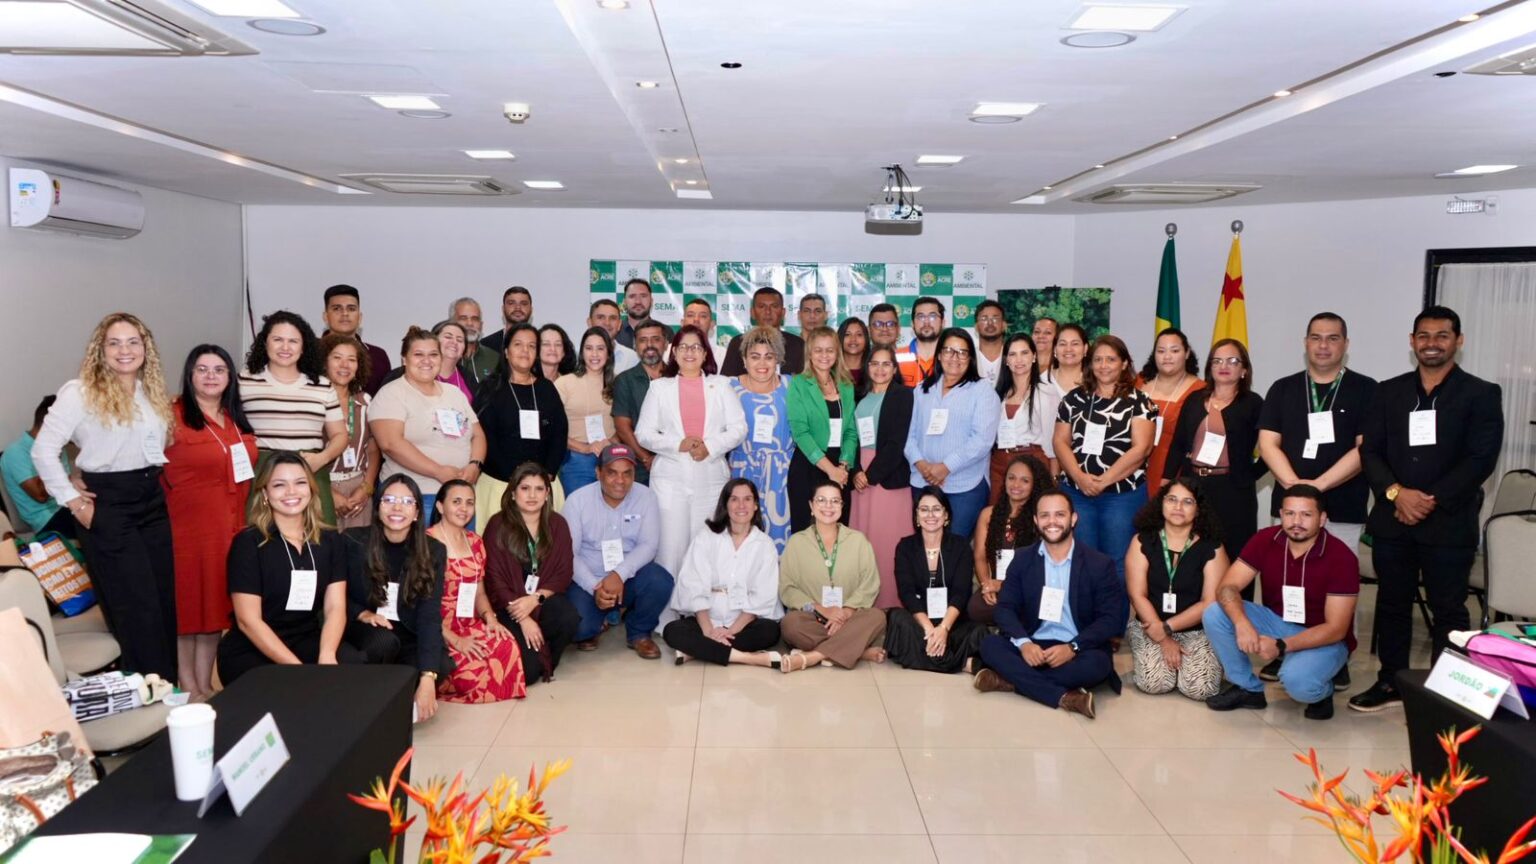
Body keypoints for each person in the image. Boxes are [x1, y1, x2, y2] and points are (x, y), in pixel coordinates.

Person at [1350, 305, 1503, 713]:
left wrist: (1425, 500)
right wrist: (1399, 494)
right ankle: (1392, 681)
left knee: (1449, 608)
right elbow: (1372, 452)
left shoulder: (1481, 394)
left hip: (1448, 523)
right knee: (1393, 602)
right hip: (1393, 520)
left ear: (1459, 341)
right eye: (1424, 336)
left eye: (1441, 335)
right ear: (1412, 341)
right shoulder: (1388, 391)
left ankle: (1444, 693)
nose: (1431, 343)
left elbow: (1480, 460)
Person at [33, 312, 178, 681]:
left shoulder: (150, 392)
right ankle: (148, 696)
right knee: (136, 608)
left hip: (151, 501)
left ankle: (169, 694)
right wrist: (73, 500)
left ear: (146, 349)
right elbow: (43, 451)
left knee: (161, 602)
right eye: (114, 342)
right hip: (108, 507)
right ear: (101, 349)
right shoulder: (79, 392)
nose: (124, 350)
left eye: (133, 342)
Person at [1204, 485, 1358, 720]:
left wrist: (1282, 645)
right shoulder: (1266, 539)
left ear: (1322, 518)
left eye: (1306, 514)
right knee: (1216, 613)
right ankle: (1248, 689)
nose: (1296, 521)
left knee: (1299, 683)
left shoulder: (1341, 557)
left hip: (1323, 637)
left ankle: (1323, 690)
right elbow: (1227, 587)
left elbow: (1336, 628)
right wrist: (1242, 623)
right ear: (1281, 514)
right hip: (1277, 622)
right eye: (1289, 513)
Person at [973, 491, 1127, 719]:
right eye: (1045, 515)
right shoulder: (1022, 559)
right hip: (1033, 643)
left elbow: (1112, 619)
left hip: (1077, 647)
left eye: (1060, 515)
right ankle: (1065, 697)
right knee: (990, 645)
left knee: (1098, 664)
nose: (1052, 522)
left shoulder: (1099, 564)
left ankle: (1009, 681)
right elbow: (1005, 608)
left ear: (1073, 519)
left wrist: (1072, 648)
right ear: (1036, 521)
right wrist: (1025, 644)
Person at [162, 345, 258, 702]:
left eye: (219, 369)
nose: (211, 376)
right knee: (188, 608)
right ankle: (186, 684)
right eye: (202, 369)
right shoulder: (170, 417)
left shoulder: (234, 418)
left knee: (215, 608)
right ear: (189, 376)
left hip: (231, 527)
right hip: (187, 530)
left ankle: (205, 683)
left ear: (230, 377)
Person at [216, 452, 352, 684]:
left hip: (307, 638)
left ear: (311, 489)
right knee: (288, 691)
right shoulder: (248, 543)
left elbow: (335, 607)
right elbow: (249, 621)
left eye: (300, 483)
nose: (291, 492)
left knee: (353, 668)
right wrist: (297, 670)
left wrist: (327, 654)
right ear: (265, 494)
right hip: (253, 647)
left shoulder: (330, 540)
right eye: (279, 485)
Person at [1258, 313, 1378, 555]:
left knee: (1338, 582)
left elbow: (1364, 449)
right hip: (1290, 507)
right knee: (1287, 580)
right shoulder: (1282, 388)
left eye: (1332, 338)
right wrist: (1296, 488)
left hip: (1343, 508)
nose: (1323, 346)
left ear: (1346, 343)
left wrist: (1317, 486)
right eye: (1316, 338)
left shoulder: (1367, 389)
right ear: (1306, 343)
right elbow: (1268, 444)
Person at [635, 325, 747, 577]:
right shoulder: (659, 388)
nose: (689, 352)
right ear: (672, 353)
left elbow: (739, 428)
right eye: (683, 347)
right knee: (670, 547)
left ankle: (702, 610)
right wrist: (678, 444)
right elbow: (643, 433)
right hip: (670, 479)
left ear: (706, 354)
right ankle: (668, 613)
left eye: (696, 347)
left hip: (710, 479)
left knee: (707, 545)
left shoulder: (721, 385)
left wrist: (710, 447)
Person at [342, 474, 449, 722]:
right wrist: (362, 613)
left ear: (417, 513)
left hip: (407, 631)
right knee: (383, 644)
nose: (397, 507)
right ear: (377, 507)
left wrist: (428, 677)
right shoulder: (353, 541)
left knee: (438, 665)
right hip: (365, 628)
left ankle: (389, 696)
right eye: (388, 499)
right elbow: (332, 596)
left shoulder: (433, 551)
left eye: (406, 501)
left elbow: (429, 615)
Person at [1052, 334, 1156, 579]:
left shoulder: (1140, 402)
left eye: (1111, 359)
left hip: (1123, 496)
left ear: (1124, 363)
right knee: (1082, 558)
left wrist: (1103, 480)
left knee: (1117, 561)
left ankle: (1116, 617)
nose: (1103, 365)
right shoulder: (1073, 399)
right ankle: (1087, 616)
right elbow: (1059, 441)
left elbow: (1141, 449)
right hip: (1078, 493)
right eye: (1098, 359)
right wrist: (1080, 478)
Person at [563, 445, 673, 659]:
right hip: (589, 579)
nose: (620, 481)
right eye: (612, 473)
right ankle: (595, 625)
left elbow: (649, 545)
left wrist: (619, 574)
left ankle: (639, 633)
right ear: (598, 473)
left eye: (627, 473)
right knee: (579, 630)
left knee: (660, 580)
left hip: (628, 579)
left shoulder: (646, 497)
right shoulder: (577, 501)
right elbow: (570, 554)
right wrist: (595, 587)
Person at [240, 310, 348, 524]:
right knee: (261, 541)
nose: (285, 347)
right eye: (278, 339)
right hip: (262, 472)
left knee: (319, 541)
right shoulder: (243, 381)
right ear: (265, 343)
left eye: (293, 341)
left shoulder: (322, 385)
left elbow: (340, 436)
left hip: (310, 468)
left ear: (303, 346)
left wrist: (322, 459)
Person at [662, 479, 784, 668]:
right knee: (672, 631)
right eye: (734, 499)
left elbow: (762, 596)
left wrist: (730, 631)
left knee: (770, 632)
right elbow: (693, 584)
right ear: (725, 505)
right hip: (706, 620)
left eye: (747, 499)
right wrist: (708, 630)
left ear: (756, 505)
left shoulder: (765, 545)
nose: (741, 506)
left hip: (744, 623)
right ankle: (748, 658)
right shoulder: (706, 537)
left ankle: (696, 651)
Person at [1166, 339, 1265, 571]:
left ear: (1244, 370)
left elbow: (1271, 447)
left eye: (1233, 361)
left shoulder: (1253, 403)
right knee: (1194, 556)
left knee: (1235, 557)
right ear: (1209, 367)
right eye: (1217, 360)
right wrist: (1167, 483)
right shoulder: (1194, 400)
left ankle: (1236, 607)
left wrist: (1249, 475)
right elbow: (1178, 444)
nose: (1224, 365)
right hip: (1195, 488)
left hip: (1235, 492)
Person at [1124, 479, 1227, 700]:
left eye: (1187, 502)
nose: (1178, 507)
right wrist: (1162, 637)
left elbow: (1209, 602)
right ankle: (1166, 662)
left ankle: (1199, 664)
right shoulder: (1142, 541)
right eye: (1172, 500)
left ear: (1198, 509)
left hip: (1198, 629)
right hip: (1149, 624)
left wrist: (1168, 628)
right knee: (1155, 682)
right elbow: (1137, 595)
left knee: (1200, 689)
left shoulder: (1213, 548)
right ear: (1161, 504)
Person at [370, 327, 485, 516]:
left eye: (433, 354)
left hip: (459, 497)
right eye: (418, 354)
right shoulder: (391, 393)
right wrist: (438, 471)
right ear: (404, 359)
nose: (427, 361)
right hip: (413, 497)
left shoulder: (454, 393)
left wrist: (475, 465)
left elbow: (478, 434)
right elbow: (391, 444)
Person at [483, 463, 582, 683]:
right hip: (508, 606)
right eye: (525, 488)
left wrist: (536, 599)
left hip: (540, 599)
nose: (532, 495)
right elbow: (494, 580)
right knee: (527, 675)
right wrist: (524, 616)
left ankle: (542, 654)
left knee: (568, 617)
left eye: (539, 489)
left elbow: (564, 573)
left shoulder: (557, 524)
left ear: (547, 493)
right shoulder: (497, 525)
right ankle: (535, 654)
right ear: (513, 493)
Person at [429, 479, 525, 703]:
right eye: (457, 502)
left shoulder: (475, 542)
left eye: (469, 503)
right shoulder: (427, 543)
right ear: (440, 506)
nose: (464, 508)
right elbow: (421, 607)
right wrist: (456, 640)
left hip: (469, 623)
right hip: (437, 628)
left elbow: (479, 593)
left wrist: (490, 619)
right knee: (474, 675)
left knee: (506, 646)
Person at [777, 480, 887, 673]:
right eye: (822, 500)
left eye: (835, 501)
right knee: (790, 625)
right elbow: (788, 588)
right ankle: (857, 651)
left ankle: (813, 656)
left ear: (842, 507)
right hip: (812, 618)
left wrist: (846, 612)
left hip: (851, 618)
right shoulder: (796, 542)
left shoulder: (858, 541)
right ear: (811, 506)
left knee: (877, 617)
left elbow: (870, 584)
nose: (828, 506)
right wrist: (822, 610)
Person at [904, 328, 1002, 539]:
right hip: (923, 482)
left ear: (970, 357)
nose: (954, 357)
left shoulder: (982, 391)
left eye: (962, 352)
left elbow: (982, 440)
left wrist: (945, 467)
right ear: (939, 355)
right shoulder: (922, 390)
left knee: (954, 549)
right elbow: (909, 436)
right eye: (948, 350)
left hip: (964, 485)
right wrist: (922, 466)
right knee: (925, 546)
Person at [472, 324, 567, 528]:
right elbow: (485, 436)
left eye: (531, 346)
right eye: (518, 344)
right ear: (506, 351)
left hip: (542, 485)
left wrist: (548, 472)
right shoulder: (490, 388)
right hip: (500, 484)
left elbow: (559, 432)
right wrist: (515, 481)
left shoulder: (546, 388)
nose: (525, 351)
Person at [885, 487, 985, 674]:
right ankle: (961, 664)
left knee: (979, 632)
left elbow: (961, 592)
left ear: (946, 515)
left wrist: (943, 628)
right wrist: (930, 629)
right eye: (924, 509)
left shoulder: (960, 546)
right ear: (916, 516)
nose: (930, 514)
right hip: (921, 623)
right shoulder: (905, 547)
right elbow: (906, 593)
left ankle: (926, 657)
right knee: (897, 618)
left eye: (937, 509)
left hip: (951, 622)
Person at [849, 345, 913, 608]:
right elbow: (850, 438)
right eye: (874, 363)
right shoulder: (859, 396)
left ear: (895, 368)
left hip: (886, 475)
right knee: (864, 540)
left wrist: (870, 475)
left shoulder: (902, 396)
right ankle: (864, 603)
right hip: (860, 476)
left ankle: (890, 604)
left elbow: (896, 442)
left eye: (886, 364)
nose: (880, 369)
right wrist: (855, 472)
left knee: (888, 542)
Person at [727, 327, 795, 551]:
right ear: (744, 360)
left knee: (779, 542)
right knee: (741, 538)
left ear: (778, 359)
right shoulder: (729, 388)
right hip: (741, 473)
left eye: (769, 356)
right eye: (755, 357)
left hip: (782, 477)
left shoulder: (792, 386)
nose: (762, 363)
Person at [786, 326, 858, 531]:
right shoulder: (799, 384)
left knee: (838, 532)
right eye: (818, 350)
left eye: (830, 350)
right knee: (806, 532)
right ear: (809, 353)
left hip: (840, 468)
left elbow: (851, 431)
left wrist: (843, 466)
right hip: (809, 466)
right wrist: (830, 470)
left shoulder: (846, 385)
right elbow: (800, 432)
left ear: (837, 353)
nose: (824, 355)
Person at [970, 452, 1051, 625]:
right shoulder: (988, 515)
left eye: (1025, 480)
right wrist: (986, 586)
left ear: (1035, 485)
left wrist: (1003, 585)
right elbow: (980, 557)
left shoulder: (1041, 517)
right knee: (976, 608)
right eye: (1011, 478)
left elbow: (1040, 568)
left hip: (1029, 588)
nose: (1016, 485)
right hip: (995, 585)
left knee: (1035, 607)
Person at [320, 333, 380, 531]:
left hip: (358, 491)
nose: (344, 365)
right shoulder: (312, 401)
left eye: (351, 359)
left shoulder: (365, 401)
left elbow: (372, 449)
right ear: (324, 362)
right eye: (337, 358)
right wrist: (328, 493)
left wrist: (367, 487)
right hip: (321, 487)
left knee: (359, 555)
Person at [990, 334, 1060, 503]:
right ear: (1006, 360)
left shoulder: (1046, 392)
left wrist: (1054, 482)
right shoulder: (996, 394)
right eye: (1012, 354)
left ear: (1034, 356)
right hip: (999, 463)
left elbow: (1053, 444)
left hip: (1033, 463)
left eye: (1024, 353)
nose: (1018, 360)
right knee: (997, 515)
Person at [1138, 328, 1205, 496]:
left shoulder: (1200, 391)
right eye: (1161, 351)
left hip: (1172, 471)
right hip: (1132, 468)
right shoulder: (1138, 382)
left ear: (1187, 353)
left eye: (1174, 351)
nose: (1167, 356)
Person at [555, 326, 618, 495]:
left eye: (600, 348)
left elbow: (626, 425)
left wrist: (609, 442)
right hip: (576, 458)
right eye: (589, 348)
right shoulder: (565, 383)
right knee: (578, 515)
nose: (594, 354)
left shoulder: (618, 384)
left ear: (609, 352)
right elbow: (551, 427)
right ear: (581, 352)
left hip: (612, 457)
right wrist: (583, 447)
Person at [2, 396, 75, 537]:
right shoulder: (15, 453)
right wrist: (49, 456)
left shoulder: (59, 448)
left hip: (65, 507)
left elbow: (66, 485)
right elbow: (41, 496)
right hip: (47, 520)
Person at [611, 320, 668, 485]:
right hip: (639, 465)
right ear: (635, 346)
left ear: (665, 344)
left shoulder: (677, 377)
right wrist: (646, 458)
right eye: (643, 340)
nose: (649, 345)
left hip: (673, 462)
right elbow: (622, 427)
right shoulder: (625, 380)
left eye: (656, 339)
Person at [321, 284, 391, 395]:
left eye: (351, 309)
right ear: (325, 317)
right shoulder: (310, 353)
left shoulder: (379, 356)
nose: (345, 313)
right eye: (337, 308)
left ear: (360, 317)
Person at [720, 287, 806, 376]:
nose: (768, 312)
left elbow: (805, 382)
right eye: (761, 306)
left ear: (783, 312)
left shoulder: (797, 344)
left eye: (774, 306)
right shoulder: (738, 342)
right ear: (752, 312)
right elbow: (727, 381)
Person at [450, 297, 501, 395]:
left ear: (481, 325)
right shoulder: (442, 358)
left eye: (475, 319)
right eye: (463, 318)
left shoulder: (495, 359)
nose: (470, 323)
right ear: (452, 323)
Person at [895, 296, 944, 388]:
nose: (926, 322)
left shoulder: (952, 358)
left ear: (943, 322)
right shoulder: (896, 356)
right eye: (920, 317)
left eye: (932, 316)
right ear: (912, 323)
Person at [616, 277, 673, 349]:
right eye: (632, 296)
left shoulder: (666, 331)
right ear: (624, 301)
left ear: (651, 301)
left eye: (643, 296)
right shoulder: (615, 332)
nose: (638, 301)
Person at [587, 299, 640, 373]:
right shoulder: (576, 358)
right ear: (590, 322)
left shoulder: (632, 358)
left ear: (619, 324)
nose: (607, 323)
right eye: (601, 317)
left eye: (613, 318)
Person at [479, 285, 534, 356]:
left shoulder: (542, 344)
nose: (518, 308)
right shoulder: (485, 345)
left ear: (531, 310)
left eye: (523, 304)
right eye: (511, 303)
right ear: (503, 309)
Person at [432, 321, 475, 403]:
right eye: (448, 337)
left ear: (463, 351)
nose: (454, 342)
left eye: (459, 340)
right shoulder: (416, 373)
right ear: (433, 342)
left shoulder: (470, 379)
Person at [682, 297, 728, 369]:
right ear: (682, 323)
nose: (696, 320)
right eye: (690, 315)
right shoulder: (667, 352)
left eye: (703, 316)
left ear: (712, 324)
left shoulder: (723, 355)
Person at [1045, 323, 1087, 396]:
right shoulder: (1042, 382)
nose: (1068, 349)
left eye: (1075, 344)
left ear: (1085, 349)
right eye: (1062, 344)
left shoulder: (1095, 383)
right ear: (1055, 349)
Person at [973, 299, 1008, 385]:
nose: (990, 323)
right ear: (976, 327)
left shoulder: (1012, 356)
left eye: (995, 318)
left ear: (1004, 325)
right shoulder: (969, 358)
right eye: (984, 318)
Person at [838, 317, 870, 392]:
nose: (853, 339)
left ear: (866, 339)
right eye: (847, 334)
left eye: (859, 335)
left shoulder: (874, 370)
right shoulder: (831, 371)